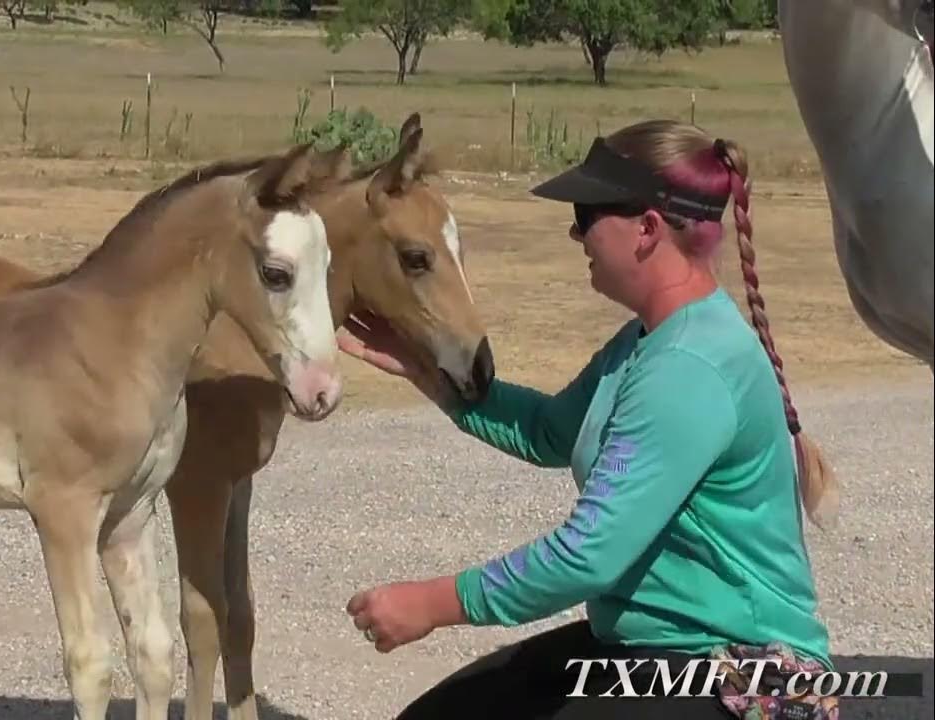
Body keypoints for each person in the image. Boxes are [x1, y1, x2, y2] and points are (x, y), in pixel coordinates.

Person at [335, 119, 841, 720]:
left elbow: (589, 555)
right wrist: (429, 376)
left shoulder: (688, 367)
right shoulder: (648, 341)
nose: (575, 233)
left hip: (738, 672)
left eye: (587, 213)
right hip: (654, 653)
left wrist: (434, 603)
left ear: (648, 229)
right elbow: (550, 431)